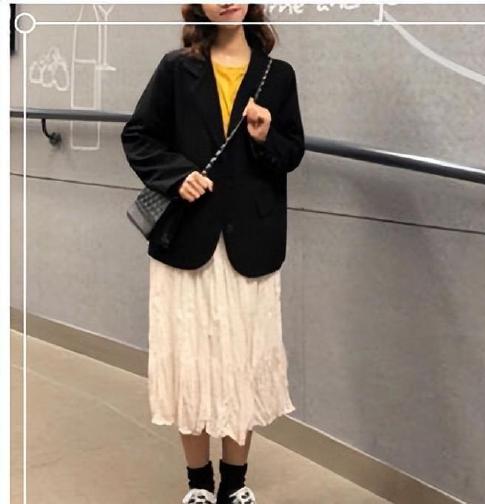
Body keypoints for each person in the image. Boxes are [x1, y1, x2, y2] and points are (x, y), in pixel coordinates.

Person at [121, 4, 305, 503]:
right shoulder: (176, 68)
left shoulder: (277, 74)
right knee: (190, 359)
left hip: (252, 241)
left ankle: (236, 486)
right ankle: (200, 485)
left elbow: (291, 152)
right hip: (189, 237)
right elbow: (138, 135)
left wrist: (265, 137)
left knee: (244, 359)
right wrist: (176, 176)